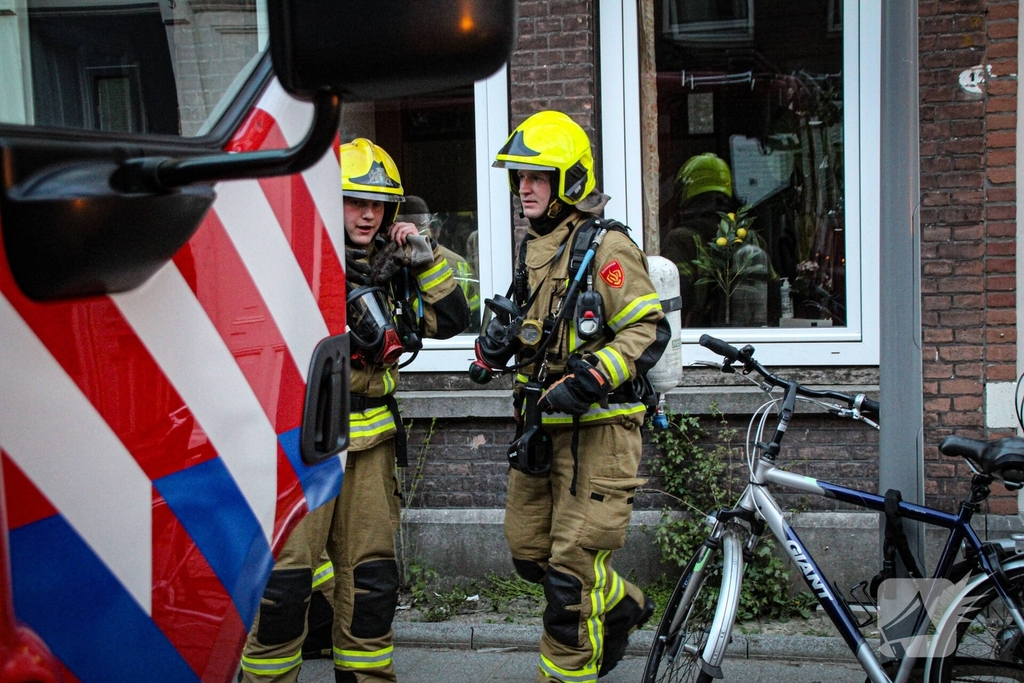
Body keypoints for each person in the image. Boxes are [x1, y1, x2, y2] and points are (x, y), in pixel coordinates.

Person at [239, 138, 469, 683]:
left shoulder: (397, 266)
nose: (368, 214)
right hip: (303, 447)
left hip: (372, 450)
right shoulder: (293, 263)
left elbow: (453, 320)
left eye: (379, 204)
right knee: (283, 591)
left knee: (371, 589)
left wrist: (425, 258)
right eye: (355, 202)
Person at [477, 110, 670, 682]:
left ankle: (568, 668)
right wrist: (496, 345)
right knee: (529, 552)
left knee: (569, 580)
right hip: (540, 430)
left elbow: (647, 328)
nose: (524, 187)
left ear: (570, 181)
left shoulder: (607, 248)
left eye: (537, 176)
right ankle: (621, 604)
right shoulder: (534, 247)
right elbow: (536, 331)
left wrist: (593, 376)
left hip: (600, 434)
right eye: (520, 176)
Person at [660, 152, 741, 327]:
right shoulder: (747, 239)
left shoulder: (681, 240)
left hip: (695, 336)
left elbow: (673, 298)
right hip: (750, 336)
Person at [396, 195, 480, 329]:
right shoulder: (458, 261)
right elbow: (474, 311)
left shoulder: (391, 261)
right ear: (431, 226)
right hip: (458, 334)